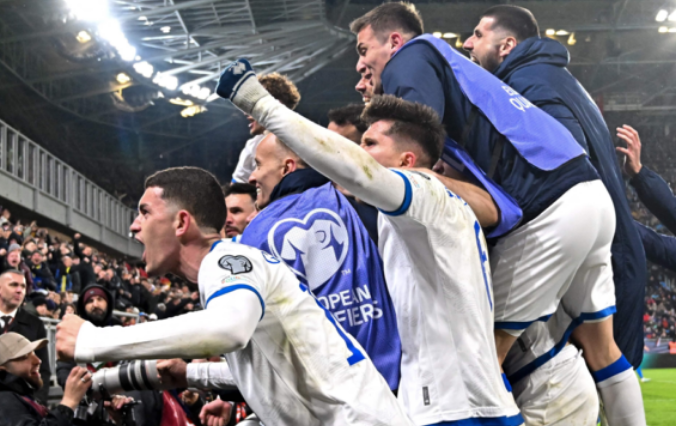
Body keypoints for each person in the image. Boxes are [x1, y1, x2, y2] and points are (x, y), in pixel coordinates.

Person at [350, 3, 634, 424]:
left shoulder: (410, 57)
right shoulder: (452, 69)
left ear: (394, 41)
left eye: (363, 50)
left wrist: (370, 170)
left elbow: (412, 140)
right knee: (603, 350)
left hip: (549, 206)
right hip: (589, 195)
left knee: (481, 356)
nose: (361, 65)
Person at [217, 63, 522, 425]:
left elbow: (356, 171)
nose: (357, 154)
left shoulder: (425, 193)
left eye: (369, 145)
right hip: (455, 403)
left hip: (457, 408)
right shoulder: (402, 218)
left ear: (407, 162)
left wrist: (259, 102)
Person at [55, 167, 413, 426]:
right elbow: (277, 368)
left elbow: (229, 329)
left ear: (181, 223)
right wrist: (190, 374)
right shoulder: (233, 267)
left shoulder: (227, 260)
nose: (134, 225)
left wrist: (93, 340)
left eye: (145, 212)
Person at [462, 5, 646, 425]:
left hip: (572, 226)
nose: (468, 43)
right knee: (604, 354)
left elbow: (561, 166)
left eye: (478, 34)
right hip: (610, 237)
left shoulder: (526, 84)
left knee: (488, 348)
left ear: (507, 45)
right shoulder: (561, 80)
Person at [242, 132, 401, 390]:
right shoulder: (359, 201)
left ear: (287, 167)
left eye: (258, 165)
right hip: (396, 384)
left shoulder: (256, 232)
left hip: (320, 396)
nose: (252, 177)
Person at [0, 333, 132, 426]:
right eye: (24, 357)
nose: (38, 360)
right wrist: (69, 402)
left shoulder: (24, 397)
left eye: (34, 353)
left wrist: (116, 420)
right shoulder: (4, 399)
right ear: (2, 368)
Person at [231, 73, 301, 184]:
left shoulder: (307, 141)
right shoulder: (252, 146)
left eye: (253, 105)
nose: (246, 113)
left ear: (275, 104)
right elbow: (236, 188)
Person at [0, 270, 51, 404]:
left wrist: (38, 403)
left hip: (22, 404)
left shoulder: (35, 324)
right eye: (13, 285)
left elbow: (43, 369)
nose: (19, 290)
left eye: (23, 286)